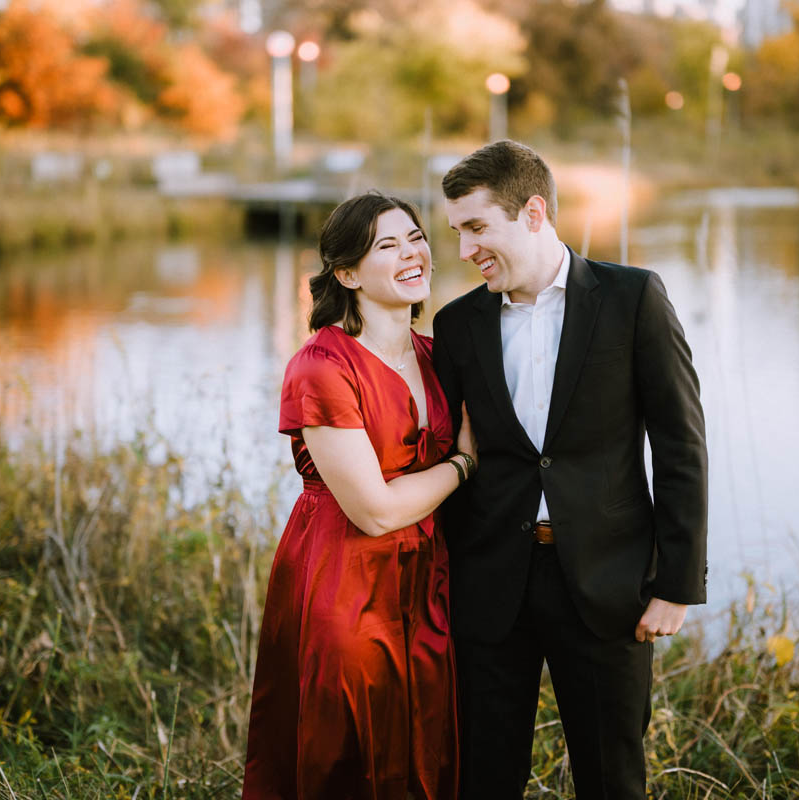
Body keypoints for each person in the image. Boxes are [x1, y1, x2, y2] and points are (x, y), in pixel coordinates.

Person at [432, 140, 708, 799]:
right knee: (482, 780)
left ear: (533, 213)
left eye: (477, 228)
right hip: (491, 587)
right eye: (458, 232)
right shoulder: (456, 324)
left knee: (612, 781)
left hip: (608, 586)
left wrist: (676, 585)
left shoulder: (633, 298)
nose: (465, 250)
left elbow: (681, 447)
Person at [242, 192, 476, 800]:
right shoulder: (322, 366)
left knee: (426, 743)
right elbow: (374, 512)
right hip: (346, 582)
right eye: (387, 246)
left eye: (416, 238)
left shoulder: (437, 356)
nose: (412, 254)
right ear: (347, 274)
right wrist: (464, 462)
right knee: (346, 752)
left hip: (430, 581)